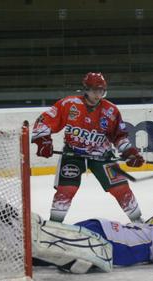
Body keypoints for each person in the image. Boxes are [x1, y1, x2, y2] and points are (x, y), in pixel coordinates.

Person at [0, 194, 153, 273]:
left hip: (99, 232)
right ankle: (6, 216)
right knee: (46, 244)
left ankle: (3, 219)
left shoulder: (145, 231)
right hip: (101, 243)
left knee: (46, 247)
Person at [31, 72, 145, 223]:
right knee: (66, 190)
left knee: (121, 188)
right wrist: (43, 140)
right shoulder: (69, 104)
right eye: (94, 91)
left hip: (102, 156)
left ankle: (138, 221)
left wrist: (129, 152)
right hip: (73, 155)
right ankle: (54, 225)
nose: (98, 95)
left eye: (101, 91)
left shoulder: (111, 111)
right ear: (85, 89)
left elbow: (119, 136)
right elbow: (44, 121)